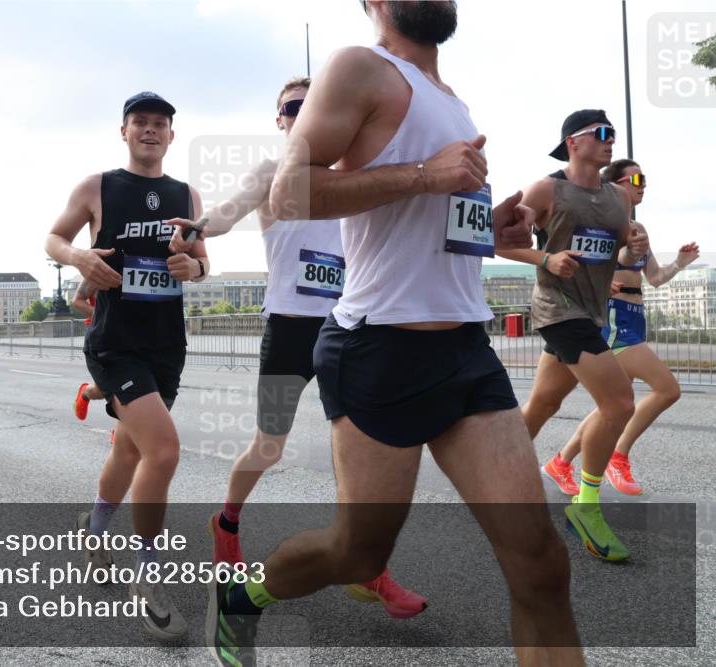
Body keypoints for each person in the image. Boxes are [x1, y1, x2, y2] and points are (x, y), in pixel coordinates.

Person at [208, 3, 583, 666]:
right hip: (378, 349)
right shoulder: (358, 68)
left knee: (542, 566)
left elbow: (426, 223)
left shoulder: (453, 102)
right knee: (359, 550)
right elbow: (291, 192)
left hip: (467, 351)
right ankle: (245, 595)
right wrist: (427, 176)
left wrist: (487, 227)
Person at [169, 75, 424, 618]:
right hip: (289, 331)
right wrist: (198, 226)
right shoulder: (273, 173)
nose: (303, 113)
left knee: (360, 456)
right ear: (280, 120)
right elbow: (232, 208)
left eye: (315, 106)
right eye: (293, 107)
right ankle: (227, 522)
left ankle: (366, 567)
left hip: (348, 331)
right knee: (269, 447)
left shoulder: (352, 176)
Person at [46, 91, 208, 640]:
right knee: (163, 450)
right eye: (140, 122)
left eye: (160, 123)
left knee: (131, 448)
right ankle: (148, 579)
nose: (150, 130)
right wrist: (78, 257)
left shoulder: (186, 193)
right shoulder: (99, 186)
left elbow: (203, 263)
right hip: (114, 341)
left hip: (166, 343)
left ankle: (93, 531)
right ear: (124, 131)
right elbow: (53, 237)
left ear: (170, 135)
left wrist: (193, 267)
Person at [498, 109, 649, 565]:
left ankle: (498, 480)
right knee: (620, 403)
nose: (609, 141)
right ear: (573, 143)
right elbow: (497, 240)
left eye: (612, 135)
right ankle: (586, 505)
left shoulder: (617, 197)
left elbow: (619, 247)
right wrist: (545, 260)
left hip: (591, 311)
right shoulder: (547, 189)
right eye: (601, 134)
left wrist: (632, 248)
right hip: (558, 311)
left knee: (543, 403)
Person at [543, 160, 700, 496]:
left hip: (634, 317)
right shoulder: (605, 223)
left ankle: (561, 461)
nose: (644, 185)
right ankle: (619, 455)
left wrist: (680, 264)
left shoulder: (637, 226)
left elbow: (656, 278)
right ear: (614, 185)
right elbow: (614, 260)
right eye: (637, 178)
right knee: (667, 389)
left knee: (612, 405)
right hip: (612, 318)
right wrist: (620, 260)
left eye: (646, 178)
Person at [71, 279, 105, 420]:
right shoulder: (101, 265)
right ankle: (85, 393)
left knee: (136, 388)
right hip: (102, 335)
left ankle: (125, 435)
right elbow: (77, 301)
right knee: (104, 390)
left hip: (135, 335)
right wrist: (106, 315)